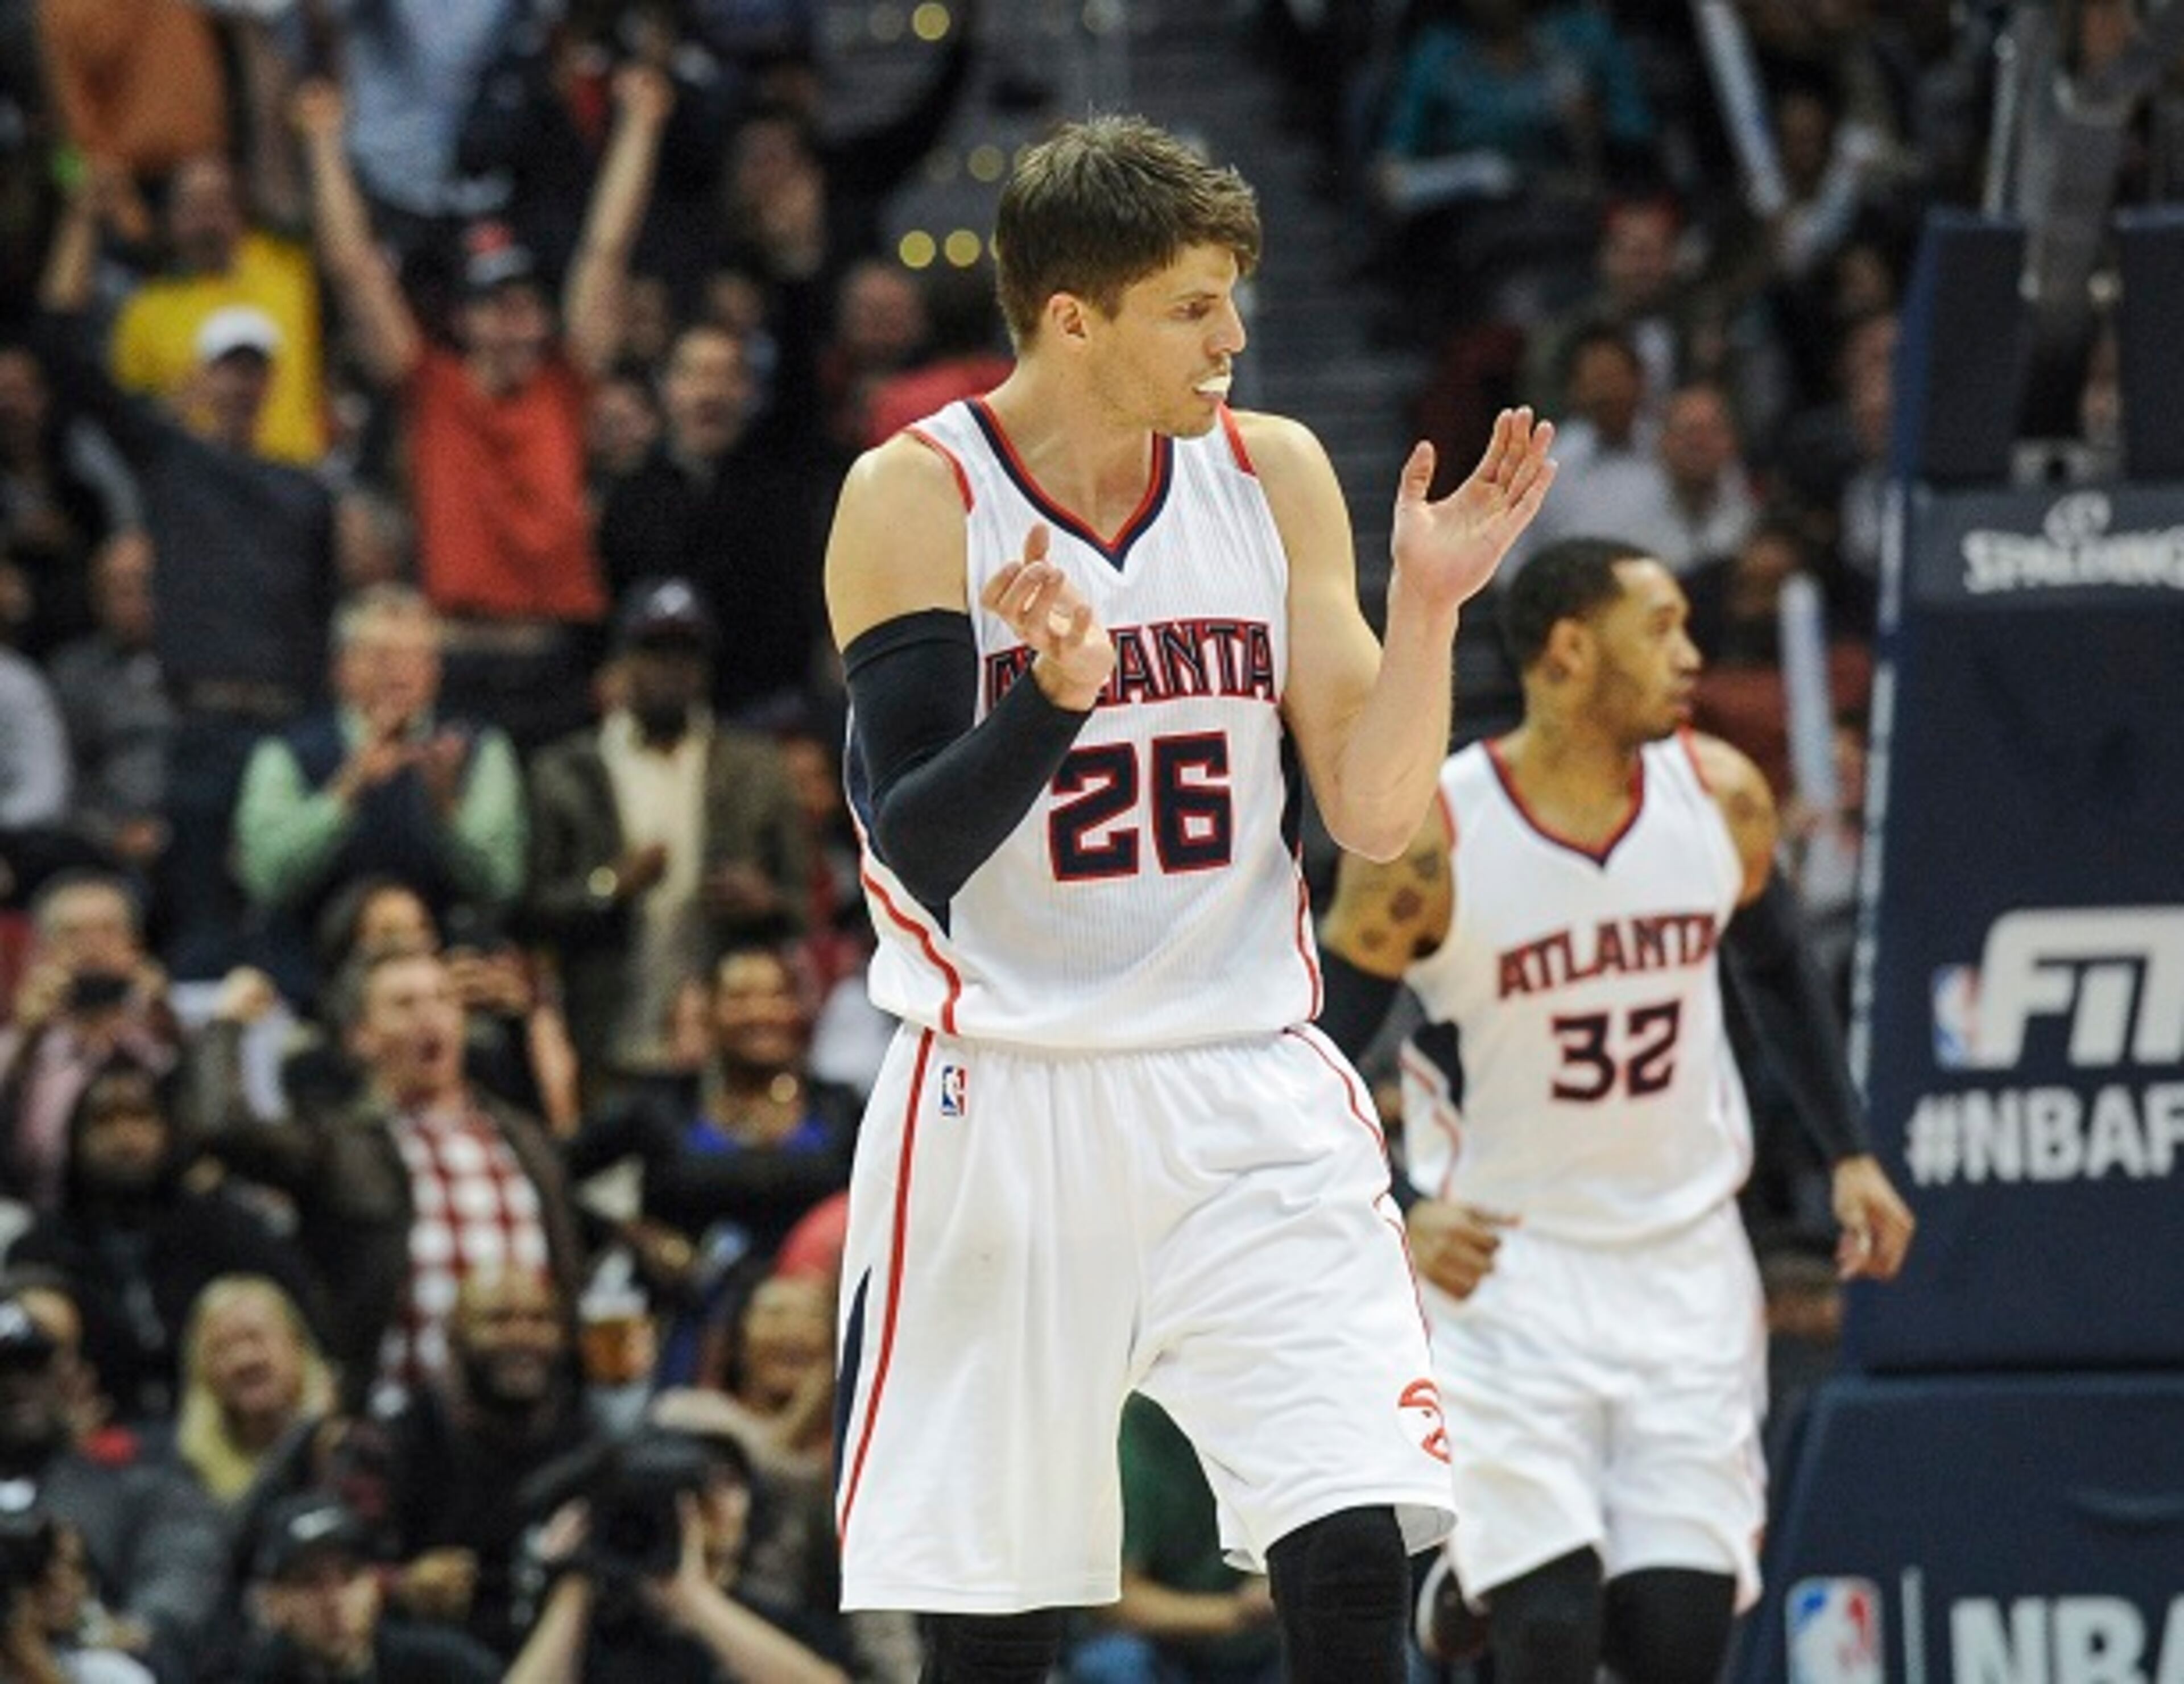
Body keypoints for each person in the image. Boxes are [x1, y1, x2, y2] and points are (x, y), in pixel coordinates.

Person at [821, 114, 1554, 1684]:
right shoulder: (915, 498)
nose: (1234, 338)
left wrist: (1428, 609)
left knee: (1354, 1551)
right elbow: (913, 851)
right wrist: (1049, 702)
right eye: (1193, 305)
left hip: (1246, 1079)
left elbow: (1369, 811)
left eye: (1235, 298)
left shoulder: (1271, 473)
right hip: (1004, 1092)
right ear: (1073, 318)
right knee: (997, 1633)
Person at [1316, 537, 1916, 1684]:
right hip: (1503, 1274)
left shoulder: (1723, 797)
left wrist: (1849, 1151)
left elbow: (1781, 970)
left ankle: (1466, 1588)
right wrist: (1396, 1204)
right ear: (1571, 651)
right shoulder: (1432, 835)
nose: (1692, 656)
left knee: (1673, 1647)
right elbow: (1311, 1055)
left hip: (1684, 1263)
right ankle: (1486, 1583)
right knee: (1552, 1635)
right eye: (1662, 628)